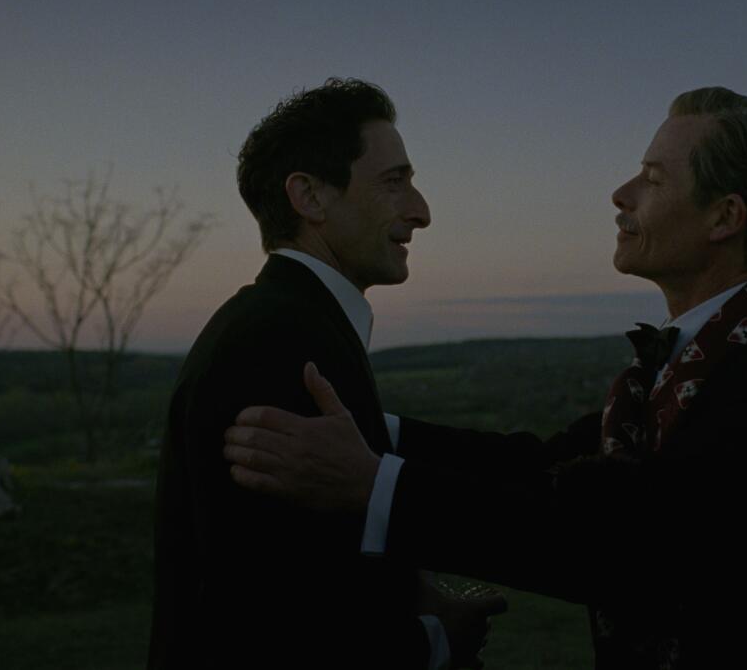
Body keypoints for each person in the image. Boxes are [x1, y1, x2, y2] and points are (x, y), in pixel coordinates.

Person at [223, 87, 747, 669]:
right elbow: (543, 467)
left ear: (724, 217)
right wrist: (375, 430)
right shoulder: (693, 365)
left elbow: (626, 548)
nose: (621, 194)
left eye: (652, 178)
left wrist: (373, 485)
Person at [148, 77, 502, 670]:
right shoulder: (280, 343)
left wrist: (404, 585)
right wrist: (438, 641)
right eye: (394, 182)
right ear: (310, 198)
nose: (421, 211)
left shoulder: (287, 323)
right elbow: (273, 616)